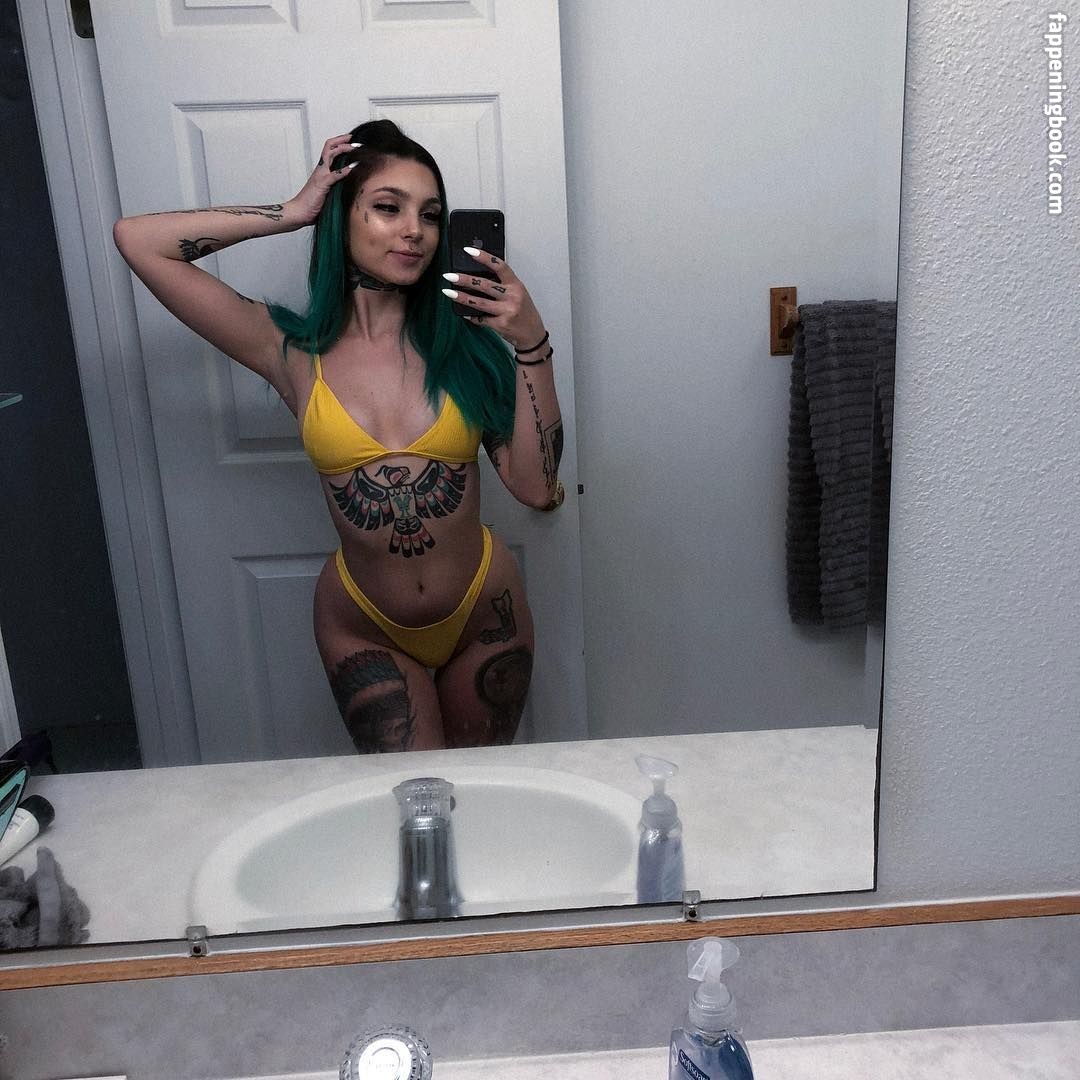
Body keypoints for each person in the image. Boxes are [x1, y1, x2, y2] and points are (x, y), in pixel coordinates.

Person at [113, 119, 564, 754]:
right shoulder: (289, 350)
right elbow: (138, 241)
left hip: (486, 610)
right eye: (388, 207)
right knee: (412, 795)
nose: (414, 230)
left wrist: (531, 343)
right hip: (364, 625)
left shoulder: (467, 349)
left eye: (430, 215)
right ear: (342, 217)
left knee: (484, 792)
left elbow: (537, 489)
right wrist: (294, 211)